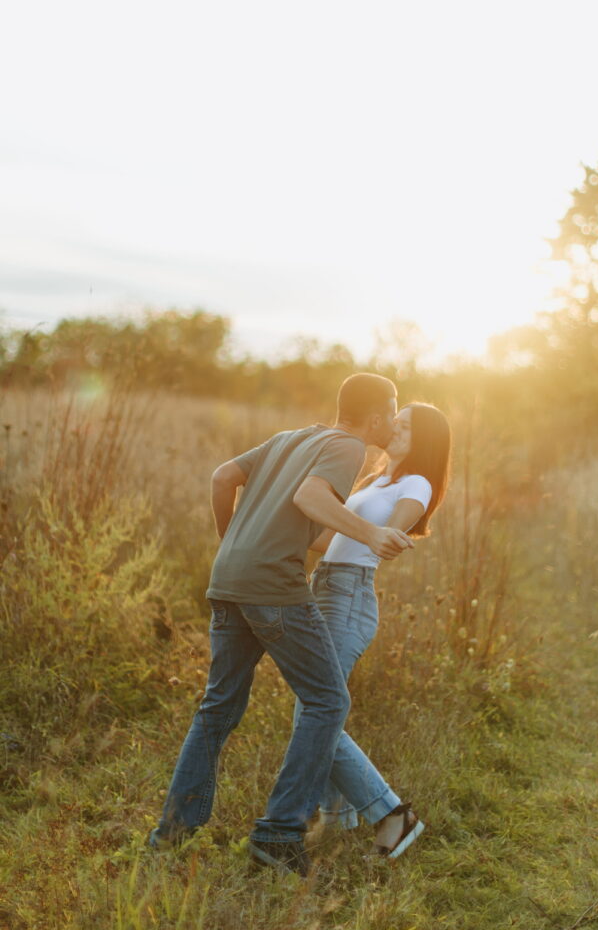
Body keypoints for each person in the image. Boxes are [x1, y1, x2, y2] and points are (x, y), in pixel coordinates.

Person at [149, 373, 414, 877]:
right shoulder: (346, 447)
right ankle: (279, 833)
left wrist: (234, 543)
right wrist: (372, 533)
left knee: (217, 707)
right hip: (273, 588)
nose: (393, 421)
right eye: (392, 411)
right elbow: (311, 500)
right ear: (376, 415)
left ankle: (172, 833)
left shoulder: (289, 439)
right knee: (327, 701)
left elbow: (222, 477)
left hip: (228, 580)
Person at [299, 402, 451, 859]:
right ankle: (338, 818)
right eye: (395, 422)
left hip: (349, 597)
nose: (395, 429)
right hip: (323, 586)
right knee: (320, 709)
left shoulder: (415, 483)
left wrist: (388, 533)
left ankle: (392, 813)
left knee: (317, 712)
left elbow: (389, 534)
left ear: (422, 439)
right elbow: (331, 540)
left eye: (406, 426)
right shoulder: (372, 481)